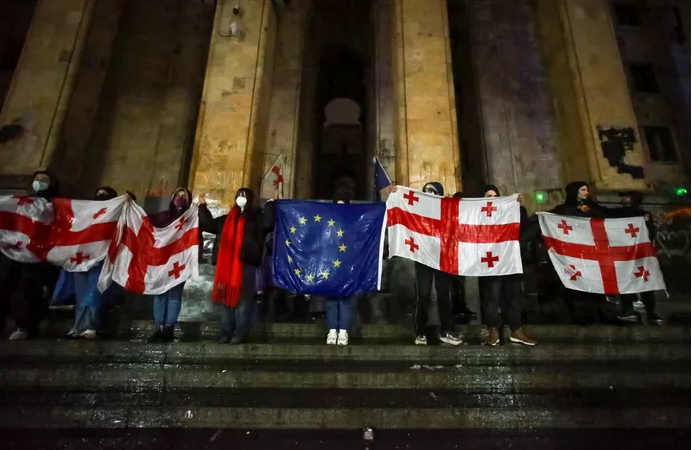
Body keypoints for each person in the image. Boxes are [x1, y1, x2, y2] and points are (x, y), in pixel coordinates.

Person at [199, 188, 274, 344]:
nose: (241, 198)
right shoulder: (226, 219)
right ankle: (226, 332)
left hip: (246, 263)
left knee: (244, 301)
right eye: (239, 195)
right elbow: (209, 225)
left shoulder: (256, 218)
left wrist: (270, 206)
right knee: (227, 299)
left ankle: (239, 333)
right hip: (226, 266)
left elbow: (268, 224)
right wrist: (203, 208)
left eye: (245, 196)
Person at [0, 171, 62, 340]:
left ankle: (25, 327)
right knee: (3, 288)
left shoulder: (58, 205)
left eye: (44, 180)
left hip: (35, 257)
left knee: (30, 291)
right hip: (10, 252)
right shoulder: (18, 201)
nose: (39, 182)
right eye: (37, 179)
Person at [477, 185, 536, 346]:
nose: (493, 199)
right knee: (492, 297)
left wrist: (517, 206)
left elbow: (524, 227)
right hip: (490, 261)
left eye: (495, 196)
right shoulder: (478, 214)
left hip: (509, 260)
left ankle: (516, 330)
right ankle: (493, 330)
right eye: (488, 196)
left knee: (513, 296)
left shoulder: (509, 210)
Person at [65, 186, 120, 339]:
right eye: (98, 193)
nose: (101, 196)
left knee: (94, 293)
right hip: (81, 258)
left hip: (101, 259)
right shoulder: (84, 214)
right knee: (81, 294)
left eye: (105, 195)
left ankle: (91, 326)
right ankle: (78, 326)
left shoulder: (115, 215)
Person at [411, 182, 461, 346]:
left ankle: (447, 330)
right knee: (423, 295)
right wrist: (396, 194)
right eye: (425, 191)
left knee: (444, 295)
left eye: (432, 191)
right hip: (423, 258)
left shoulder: (447, 212)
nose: (428, 194)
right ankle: (420, 331)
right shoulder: (418, 211)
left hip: (442, 258)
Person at [146, 187, 193, 343]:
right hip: (162, 261)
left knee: (174, 296)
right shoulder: (164, 216)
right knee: (159, 294)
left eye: (184, 196)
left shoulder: (192, 217)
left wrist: (203, 208)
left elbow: (205, 225)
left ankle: (169, 328)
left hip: (179, 262)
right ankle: (159, 326)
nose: (180, 198)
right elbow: (144, 221)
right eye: (177, 195)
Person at [613, 191, 663, 325]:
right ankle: (630, 309)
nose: (623, 198)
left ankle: (649, 312)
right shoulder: (619, 213)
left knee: (645, 283)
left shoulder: (642, 215)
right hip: (625, 255)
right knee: (627, 282)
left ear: (634, 199)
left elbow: (650, 234)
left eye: (626, 196)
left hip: (639, 255)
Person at [325, 187, 355, 345]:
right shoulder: (329, 223)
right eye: (337, 204)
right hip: (330, 264)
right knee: (331, 298)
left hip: (346, 265)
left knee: (344, 299)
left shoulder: (351, 223)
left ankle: (343, 331)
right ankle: (332, 330)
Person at [450, 191, 477, 323]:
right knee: (454, 283)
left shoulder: (466, 216)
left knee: (460, 283)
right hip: (452, 255)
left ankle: (460, 306)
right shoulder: (451, 216)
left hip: (462, 254)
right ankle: (455, 308)